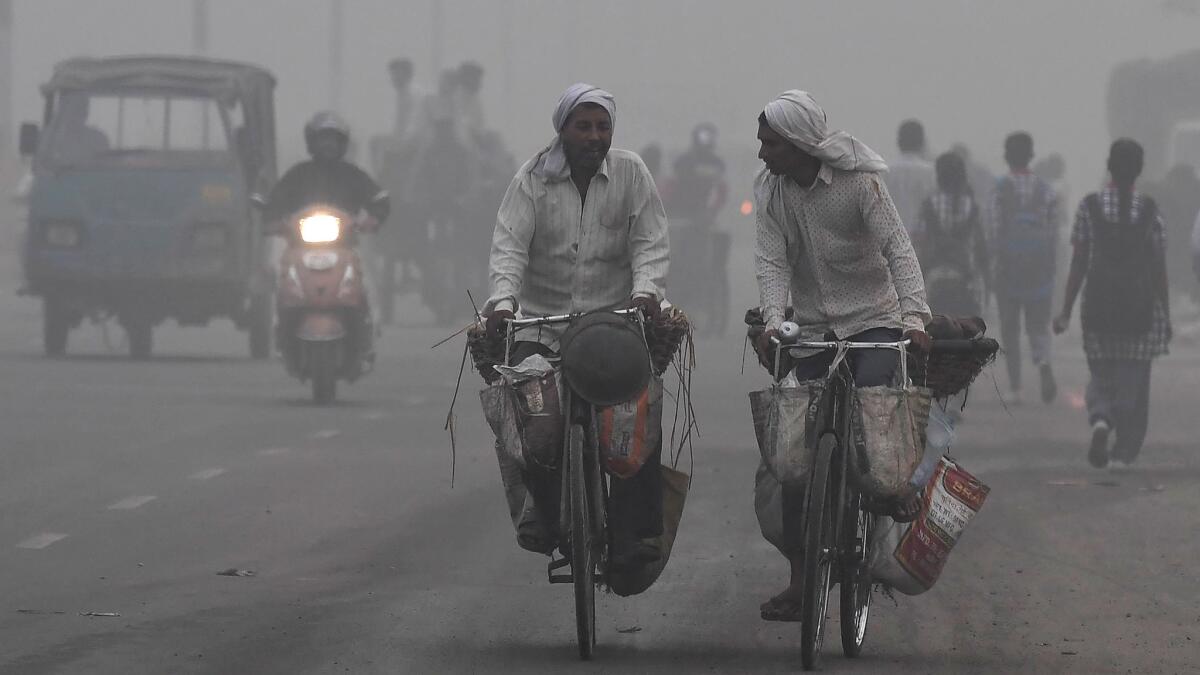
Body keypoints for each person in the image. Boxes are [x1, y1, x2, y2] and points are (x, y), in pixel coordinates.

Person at [751, 90, 931, 621]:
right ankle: (800, 578)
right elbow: (770, 259)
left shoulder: (859, 184)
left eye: (770, 144)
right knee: (792, 454)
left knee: (877, 408)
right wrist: (771, 323)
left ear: (801, 144)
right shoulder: (771, 192)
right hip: (810, 327)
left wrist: (915, 319)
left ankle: (888, 492)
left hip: (873, 321)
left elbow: (900, 249)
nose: (762, 154)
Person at [483, 83, 669, 569]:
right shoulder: (531, 179)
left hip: (613, 323)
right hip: (542, 325)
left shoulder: (631, 172)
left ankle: (634, 532)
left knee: (638, 415)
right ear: (562, 130)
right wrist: (504, 302)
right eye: (583, 126)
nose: (594, 136)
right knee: (531, 423)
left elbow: (650, 242)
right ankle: (545, 513)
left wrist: (646, 292)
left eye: (602, 126)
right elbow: (509, 247)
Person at [1053, 139, 1171, 469]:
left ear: (1108, 165)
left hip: (1098, 307)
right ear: (1139, 170)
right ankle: (1122, 451)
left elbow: (1078, 263)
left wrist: (1065, 310)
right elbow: (1158, 267)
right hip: (1139, 308)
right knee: (1132, 378)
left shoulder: (1089, 207)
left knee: (1101, 373)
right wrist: (1166, 311)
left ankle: (1101, 419)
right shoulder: (1150, 211)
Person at [265, 112, 390, 359]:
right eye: (323, 139)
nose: (328, 145)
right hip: (300, 246)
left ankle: (370, 325)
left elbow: (379, 198)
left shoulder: (353, 174)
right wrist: (273, 220)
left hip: (344, 246)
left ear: (342, 143)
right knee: (282, 277)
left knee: (365, 279)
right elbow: (274, 201)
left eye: (333, 139)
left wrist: (372, 218)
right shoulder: (298, 174)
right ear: (312, 142)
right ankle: (281, 325)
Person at [992, 132, 1061, 405]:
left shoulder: (999, 189)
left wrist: (996, 264)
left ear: (1007, 156)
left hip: (1008, 271)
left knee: (1010, 329)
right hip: (1038, 271)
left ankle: (1016, 388)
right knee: (1037, 325)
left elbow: (994, 231)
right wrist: (1051, 265)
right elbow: (1053, 231)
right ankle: (1043, 361)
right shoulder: (1045, 190)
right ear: (1031, 156)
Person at [917, 152, 990, 316]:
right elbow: (982, 247)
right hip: (966, 275)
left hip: (933, 276)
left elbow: (919, 240)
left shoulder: (929, 204)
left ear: (938, 176)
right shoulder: (972, 205)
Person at [667, 122, 729, 225]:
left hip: (704, 209)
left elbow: (720, 190)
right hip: (680, 206)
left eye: (709, 136)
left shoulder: (717, 164)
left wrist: (711, 210)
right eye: (703, 136)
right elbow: (673, 183)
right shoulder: (683, 161)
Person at [885, 119, 935, 238]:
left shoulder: (886, 171)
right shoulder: (930, 172)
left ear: (899, 142)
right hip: (922, 238)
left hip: (892, 236)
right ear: (922, 142)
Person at [388, 58, 418, 139]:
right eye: (392, 75)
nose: (393, 79)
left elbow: (414, 124)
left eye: (397, 75)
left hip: (414, 140)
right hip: (404, 138)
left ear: (408, 75)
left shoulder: (415, 94)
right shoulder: (401, 94)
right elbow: (399, 124)